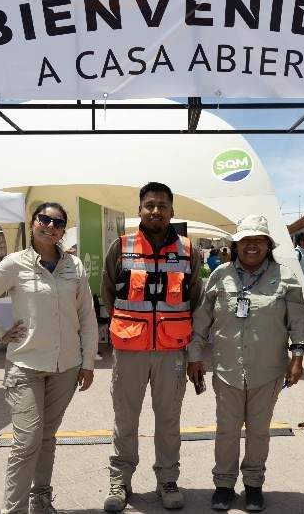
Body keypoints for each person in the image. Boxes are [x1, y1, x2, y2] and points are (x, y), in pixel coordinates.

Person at [0, 202, 98, 514]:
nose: (50, 226)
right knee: (27, 442)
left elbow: (87, 318)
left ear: (64, 230)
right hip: (26, 365)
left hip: (66, 366)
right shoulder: (14, 264)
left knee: (47, 437)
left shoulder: (73, 267)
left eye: (58, 222)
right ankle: (14, 509)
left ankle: (41, 499)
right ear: (34, 222)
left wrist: (88, 362)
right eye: (44, 219)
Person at [188, 215, 304, 512]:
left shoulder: (286, 277)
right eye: (245, 240)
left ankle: (253, 485)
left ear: (268, 245)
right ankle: (224, 485)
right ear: (236, 244)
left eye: (259, 240)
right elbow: (202, 320)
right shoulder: (220, 275)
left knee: (259, 430)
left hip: (267, 370)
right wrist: (195, 356)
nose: (252, 245)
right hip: (227, 369)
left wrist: (297, 359)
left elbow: (298, 322)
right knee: (226, 429)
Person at [101, 182, 203, 512]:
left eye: (162, 205)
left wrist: (194, 354)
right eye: (149, 205)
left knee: (168, 420)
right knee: (125, 418)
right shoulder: (121, 246)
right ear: (140, 210)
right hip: (130, 350)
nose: (156, 210)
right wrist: (129, 329)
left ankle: (167, 479)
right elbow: (107, 294)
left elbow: (197, 302)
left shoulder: (189, 251)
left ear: (172, 212)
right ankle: (121, 479)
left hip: (173, 351)